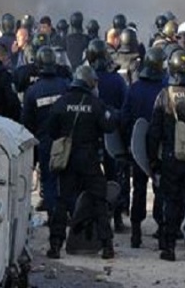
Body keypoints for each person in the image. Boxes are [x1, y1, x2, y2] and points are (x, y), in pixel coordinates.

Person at [46, 65, 119, 260]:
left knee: (62, 202)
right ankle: (107, 246)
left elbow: (51, 130)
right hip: (89, 159)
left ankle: (55, 246)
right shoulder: (95, 104)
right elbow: (109, 126)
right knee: (99, 201)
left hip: (67, 159)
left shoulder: (62, 102)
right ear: (88, 82)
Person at [147, 49, 185, 262]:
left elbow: (154, 132)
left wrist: (152, 160)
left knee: (171, 202)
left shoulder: (165, 95)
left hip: (171, 159)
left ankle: (169, 247)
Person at [120, 47, 166, 249]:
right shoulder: (165, 90)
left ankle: (136, 232)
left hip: (137, 148)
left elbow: (124, 118)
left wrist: (127, 144)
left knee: (138, 188)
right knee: (160, 188)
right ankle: (161, 228)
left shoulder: (134, 88)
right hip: (160, 148)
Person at [86, 39, 130, 232]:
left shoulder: (85, 79)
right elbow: (125, 108)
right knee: (115, 177)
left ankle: (92, 216)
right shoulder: (116, 80)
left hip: (90, 137)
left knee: (90, 178)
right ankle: (117, 217)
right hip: (113, 135)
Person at [22, 47, 70, 216]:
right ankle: (67, 213)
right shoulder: (65, 86)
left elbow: (27, 123)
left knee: (48, 181)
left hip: (44, 142)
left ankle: (53, 218)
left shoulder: (32, 91)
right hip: (65, 143)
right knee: (66, 180)